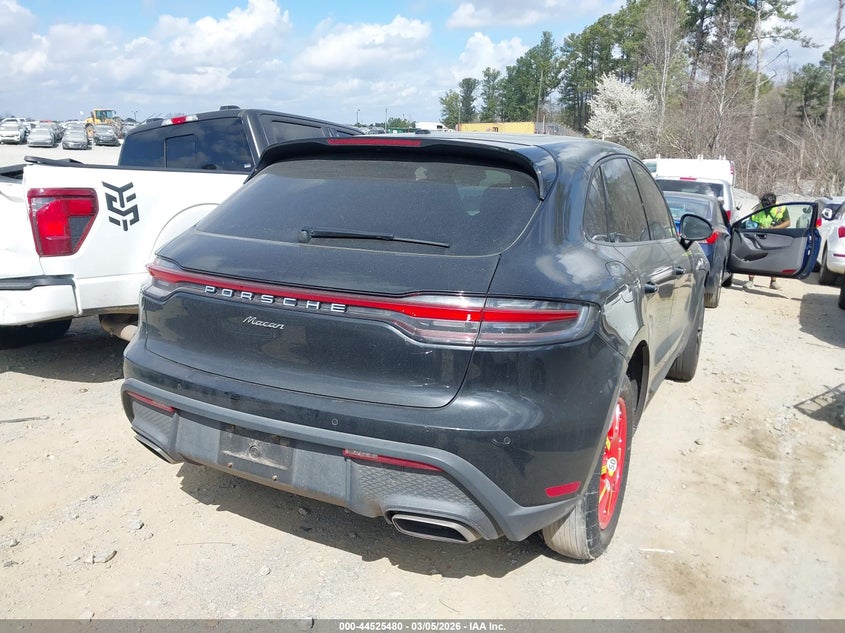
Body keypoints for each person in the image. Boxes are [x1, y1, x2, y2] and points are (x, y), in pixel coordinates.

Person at [748, 192, 790, 290]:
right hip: (759, 235)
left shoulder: (781, 208)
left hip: (775, 236)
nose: (767, 207)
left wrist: (775, 228)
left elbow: (787, 222)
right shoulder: (758, 207)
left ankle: (773, 282)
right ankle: (750, 281)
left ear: (774, 203)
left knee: (774, 258)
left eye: (769, 206)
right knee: (754, 256)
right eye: (765, 205)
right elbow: (751, 221)